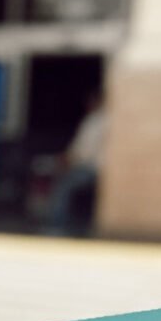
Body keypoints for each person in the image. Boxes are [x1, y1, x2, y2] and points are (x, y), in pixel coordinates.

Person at [47, 99, 107, 236]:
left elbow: (83, 151)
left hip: (92, 168)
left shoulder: (95, 120)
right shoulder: (108, 118)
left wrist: (65, 160)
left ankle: (56, 224)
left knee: (63, 183)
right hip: (98, 168)